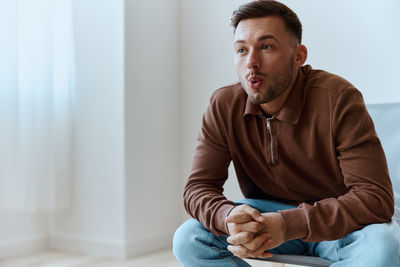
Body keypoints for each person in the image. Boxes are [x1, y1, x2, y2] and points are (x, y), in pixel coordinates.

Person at [173, 0, 400, 266]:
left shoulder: (339, 98)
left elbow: (375, 199)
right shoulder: (223, 105)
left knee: (383, 247)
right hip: (266, 220)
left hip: (340, 227)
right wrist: (229, 216)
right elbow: (197, 188)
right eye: (241, 50)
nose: (251, 63)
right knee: (189, 238)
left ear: (299, 56)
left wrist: (287, 224)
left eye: (266, 47)